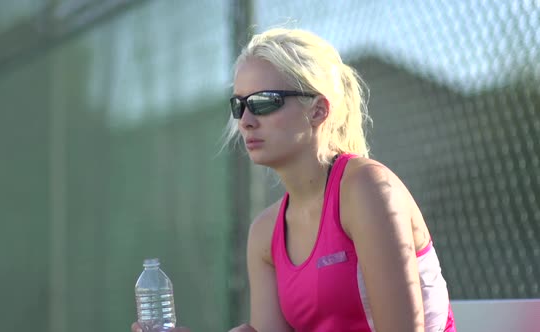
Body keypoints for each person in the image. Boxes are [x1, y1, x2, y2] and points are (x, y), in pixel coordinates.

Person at [132, 28, 456, 332]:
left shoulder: (367, 189)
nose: (245, 121)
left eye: (263, 102)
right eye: (239, 105)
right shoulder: (264, 234)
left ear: (317, 111)